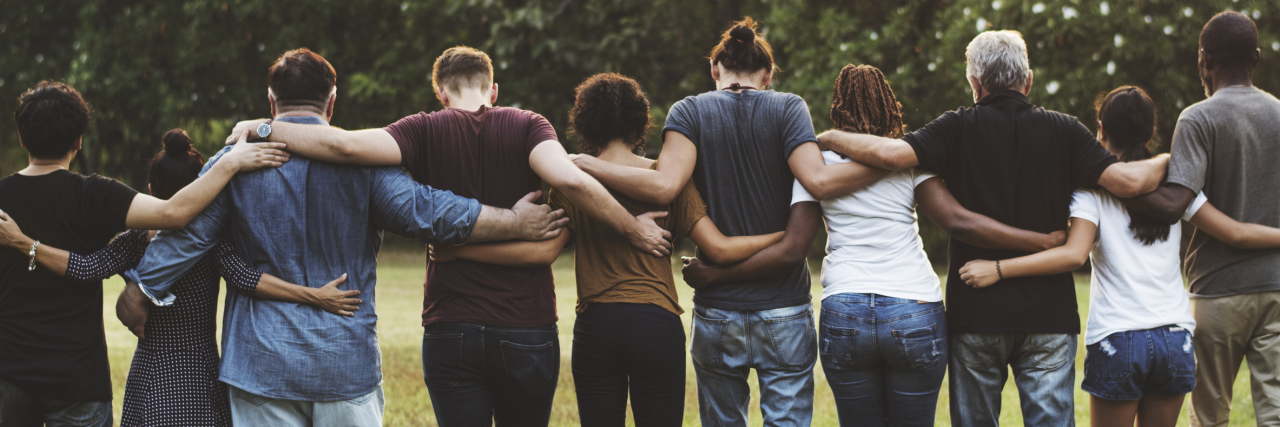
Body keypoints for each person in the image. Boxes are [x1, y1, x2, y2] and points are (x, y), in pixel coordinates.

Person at [116, 48, 566, 426]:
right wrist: (514, 220)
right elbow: (429, 211)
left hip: (260, 366)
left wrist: (141, 287)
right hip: (344, 364)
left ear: (271, 104)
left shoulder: (235, 161)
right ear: (332, 103)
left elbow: (189, 236)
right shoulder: (366, 167)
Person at [224, 47, 667, 426]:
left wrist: (265, 127)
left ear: (440, 92)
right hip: (525, 327)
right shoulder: (529, 124)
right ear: (493, 91)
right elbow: (570, 181)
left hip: (449, 328)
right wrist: (634, 228)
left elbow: (343, 147)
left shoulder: (421, 128)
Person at [815, 31, 1170, 426]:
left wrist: (828, 137)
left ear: (974, 83)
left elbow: (893, 155)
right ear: (1029, 80)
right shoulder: (1067, 130)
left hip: (976, 313)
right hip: (1048, 317)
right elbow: (1128, 183)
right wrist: (1173, 156)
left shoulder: (955, 127)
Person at [571, 17, 884, 426]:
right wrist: (894, 160)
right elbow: (816, 181)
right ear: (768, 75)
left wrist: (583, 166)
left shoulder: (688, 111)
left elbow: (664, 183)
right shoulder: (789, 107)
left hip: (718, 313)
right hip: (783, 307)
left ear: (715, 69)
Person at [433, 73, 784, 425]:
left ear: (585, 124)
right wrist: (782, 236)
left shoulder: (574, 183)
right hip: (656, 324)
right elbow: (719, 249)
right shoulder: (667, 178)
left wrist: (461, 251)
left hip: (597, 328)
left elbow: (542, 254)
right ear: (639, 122)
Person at [962, 85, 1280, 427]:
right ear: (1152, 131)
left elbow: (1073, 255)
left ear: (1100, 129)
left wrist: (998, 268)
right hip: (1174, 338)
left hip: (1118, 339)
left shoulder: (1092, 190)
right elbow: (1237, 233)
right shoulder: (1176, 187)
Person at [0, 129, 360, 426]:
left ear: (151, 191)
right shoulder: (213, 244)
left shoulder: (135, 242)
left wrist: (24, 243)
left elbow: (84, 268)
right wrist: (315, 296)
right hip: (199, 376)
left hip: (151, 377)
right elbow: (250, 279)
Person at [794, 64, 1069, 426]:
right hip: (913, 307)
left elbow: (799, 235)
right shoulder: (910, 161)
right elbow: (958, 221)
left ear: (837, 105)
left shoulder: (819, 166)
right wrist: (1040, 241)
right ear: (888, 103)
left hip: (845, 306)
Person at [1124, 11, 1280, 426]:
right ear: (1257, 57)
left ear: (1203, 61)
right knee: (1276, 412)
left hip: (1217, 291)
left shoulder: (1198, 118)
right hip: (1278, 287)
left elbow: (1178, 200)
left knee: (1210, 416)